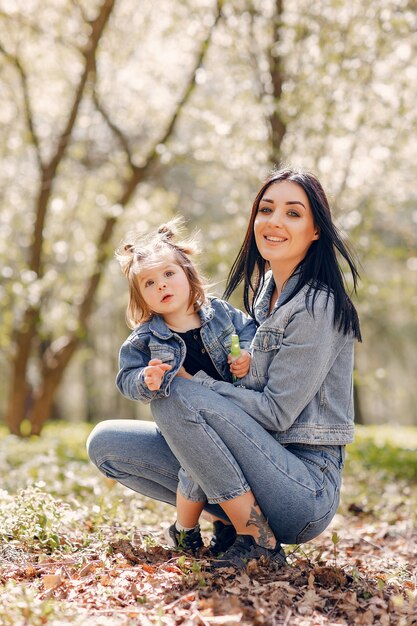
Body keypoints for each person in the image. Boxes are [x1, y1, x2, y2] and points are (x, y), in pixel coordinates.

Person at [87, 167, 361, 571]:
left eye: (293, 213)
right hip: (253, 460)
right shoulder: (269, 292)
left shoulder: (317, 305)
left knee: (174, 397)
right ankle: (234, 523)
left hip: (302, 487)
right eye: (266, 209)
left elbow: (275, 413)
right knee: (106, 443)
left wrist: (194, 385)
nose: (274, 222)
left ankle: (259, 540)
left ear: (316, 230)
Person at [112, 218, 256, 555]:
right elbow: (126, 378)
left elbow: (249, 329)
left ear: (188, 275)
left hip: (231, 415)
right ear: (141, 298)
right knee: (195, 471)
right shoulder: (145, 338)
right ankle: (186, 530)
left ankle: (226, 525)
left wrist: (247, 354)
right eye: (149, 283)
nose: (161, 285)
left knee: (226, 468)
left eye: (168, 275)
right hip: (186, 428)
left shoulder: (220, 313)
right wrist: (145, 380)